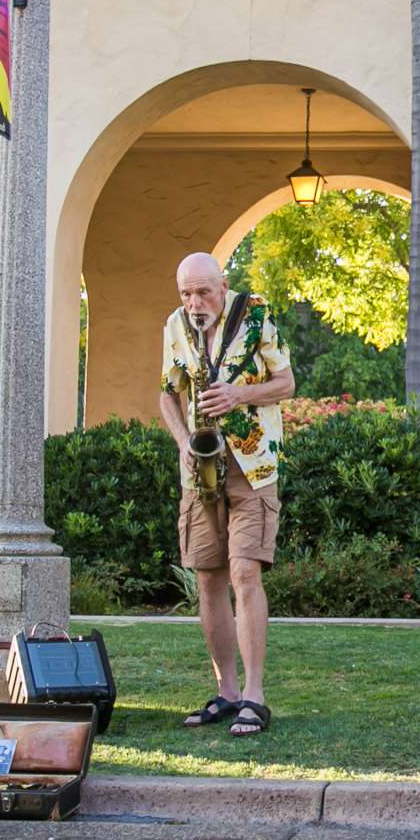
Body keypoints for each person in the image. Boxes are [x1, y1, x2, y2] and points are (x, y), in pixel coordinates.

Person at [158, 252, 296, 738]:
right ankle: (226, 692)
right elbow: (167, 392)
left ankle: (255, 697)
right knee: (209, 579)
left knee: (244, 571)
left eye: (204, 292)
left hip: (252, 464)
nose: (195, 303)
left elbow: (287, 382)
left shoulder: (256, 314)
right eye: (186, 294)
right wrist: (183, 444)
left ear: (224, 284)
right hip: (201, 468)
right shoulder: (177, 325)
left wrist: (238, 395)